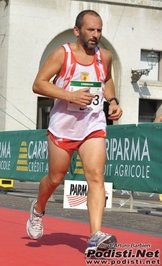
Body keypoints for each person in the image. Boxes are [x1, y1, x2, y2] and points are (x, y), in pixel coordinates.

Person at [28, 10, 123, 255]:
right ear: (77, 30)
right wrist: (70, 95)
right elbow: (38, 84)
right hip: (63, 126)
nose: (96, 35)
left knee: (96, 177)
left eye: (99, 30)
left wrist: (112, 101)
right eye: (91, 30)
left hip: (92, 124)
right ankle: (38, 209)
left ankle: (95, 236)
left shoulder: (106, 56)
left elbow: (107, 79)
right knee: (55, 178)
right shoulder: (63, 54)